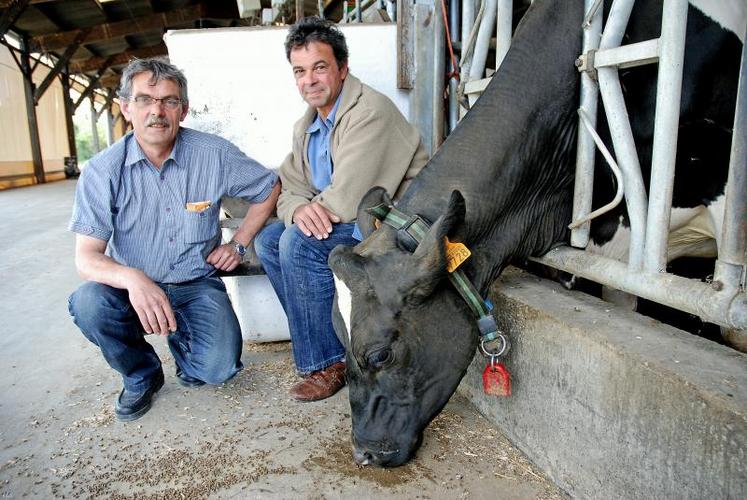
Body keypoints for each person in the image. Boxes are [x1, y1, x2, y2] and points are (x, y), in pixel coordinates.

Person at [67, 58, 280, 421]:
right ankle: (141, 374)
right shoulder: (102, 171)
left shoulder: (213, 155)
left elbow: (269, 187)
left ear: (184, 109)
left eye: (169, 100)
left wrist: (238, 243)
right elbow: (87, 258)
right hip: (133, 289)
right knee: (89, 304)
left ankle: (183, 344)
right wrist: (134, 280)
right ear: (126, 108)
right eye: (145, 100)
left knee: (217, 370)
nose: (157, 111)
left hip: (195, 282)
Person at [254, 17, 428, 402]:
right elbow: (290, 187)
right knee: (269, 241)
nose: (309, 80)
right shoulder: (309, 125)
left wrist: (302, 213)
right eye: (299, 71)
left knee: (297, 244)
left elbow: (348, 202)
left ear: (342, 68)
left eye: (320, 67)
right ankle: (326, 339)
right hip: (353, 217)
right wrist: (297, 207)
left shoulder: (369, 112)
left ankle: (329, 362)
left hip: (391, 223)